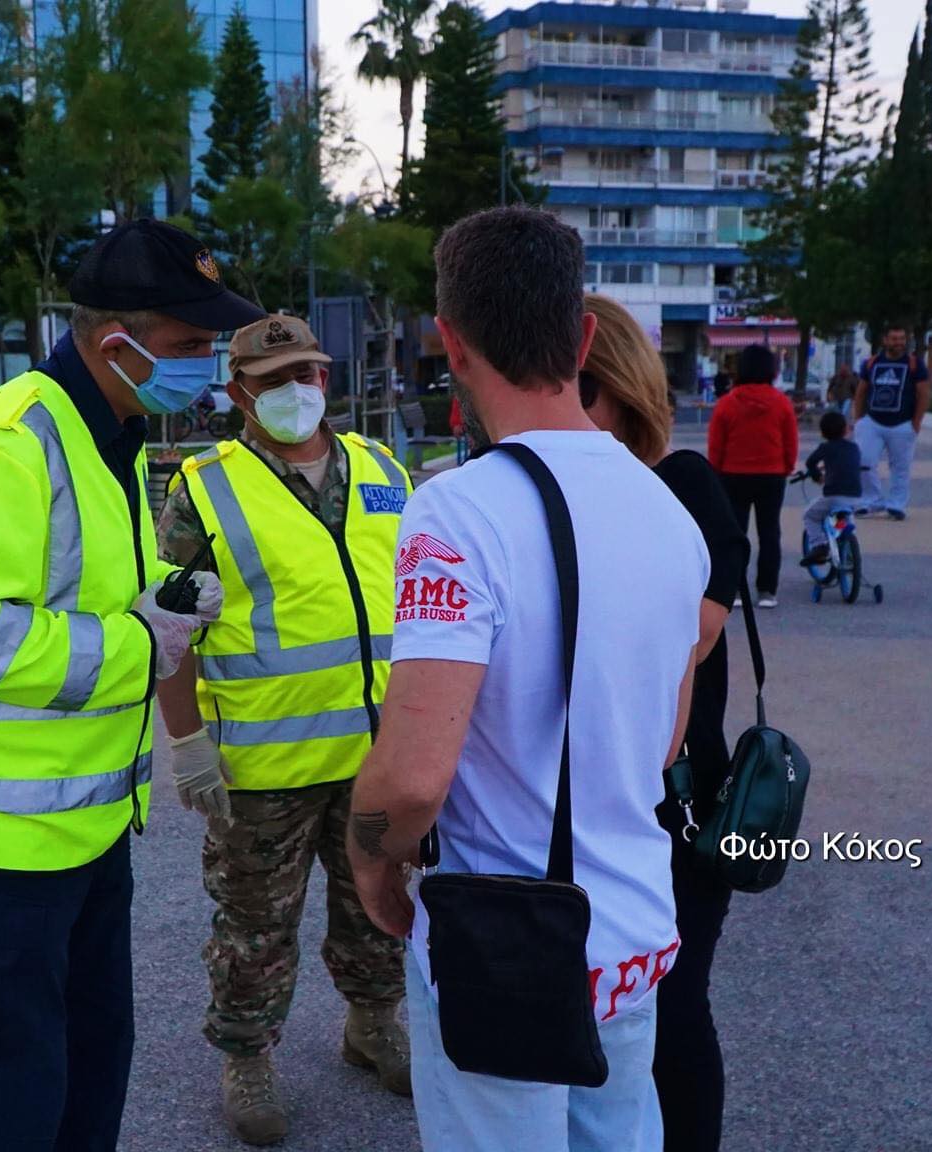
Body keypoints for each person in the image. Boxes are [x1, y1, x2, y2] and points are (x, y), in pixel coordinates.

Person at [0, 218, 260, 1152]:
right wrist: (145, 646)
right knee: (7, 1100)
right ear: (114, 342)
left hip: (86, 831)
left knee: (88, 1078)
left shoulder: (115, 432)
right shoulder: (12, 441)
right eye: (187, 347)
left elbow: (81, 595)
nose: (208, 367)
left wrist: (165, 603)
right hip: (1, 851)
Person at [346, 206, 710, 1152]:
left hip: (505, 947)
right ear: (584, 335)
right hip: (631, 939)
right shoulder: (671, 515)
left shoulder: (457, 514)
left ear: (451, 346)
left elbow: (416, 775)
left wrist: (369, 853)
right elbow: (660, 742)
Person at [154, 314, 414, 1146]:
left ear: (327, 379)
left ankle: (372, 1023)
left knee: (377, 905)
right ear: (238, 394)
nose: (293, 392)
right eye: (271, 381)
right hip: (262, 765)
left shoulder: (384, 472)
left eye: (306, 374)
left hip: (376, 754)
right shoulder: (204, 488)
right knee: (255, 925)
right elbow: (171, 628)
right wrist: (187, 741)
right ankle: (248, 1053)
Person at [576, 292, 743, 1152]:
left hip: (681, 807)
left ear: (610, 394)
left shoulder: (682, 485)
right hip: (613, 806)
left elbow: (690, 636)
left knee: (672, 1004)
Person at [707, 345, 797, 609]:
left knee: (736, 533)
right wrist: (787, 466)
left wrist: (717, 471)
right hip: (771, 475)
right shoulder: (781, 402)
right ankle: (767, 590)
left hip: (733, 475)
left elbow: (716, 443)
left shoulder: (727, 403)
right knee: (770, 533)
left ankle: (734, 589)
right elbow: (790, 440)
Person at [852, 326, 931, 520]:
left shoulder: (915, 364)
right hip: (873, 422)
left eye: (902, 338)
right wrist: (859, 420)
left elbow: (923, 393)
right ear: (885, 340)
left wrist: (916, 422)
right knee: (864, 461)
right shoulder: (871, 363)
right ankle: (871, 500)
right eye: (894, 339)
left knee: (900, 467)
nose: (899, 343)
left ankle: (897, 504)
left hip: (902, 424)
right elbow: (861, 392)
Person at [799, 410, 864, 565]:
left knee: (810, 515)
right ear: (845, 429)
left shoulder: (826, 447)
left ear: (822, 433)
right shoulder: (853, 447)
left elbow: (810, 462)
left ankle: (819, 545)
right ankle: (847, 548)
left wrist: (816, 475)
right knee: (843, 518)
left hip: (834, 494)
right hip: (855, 495)